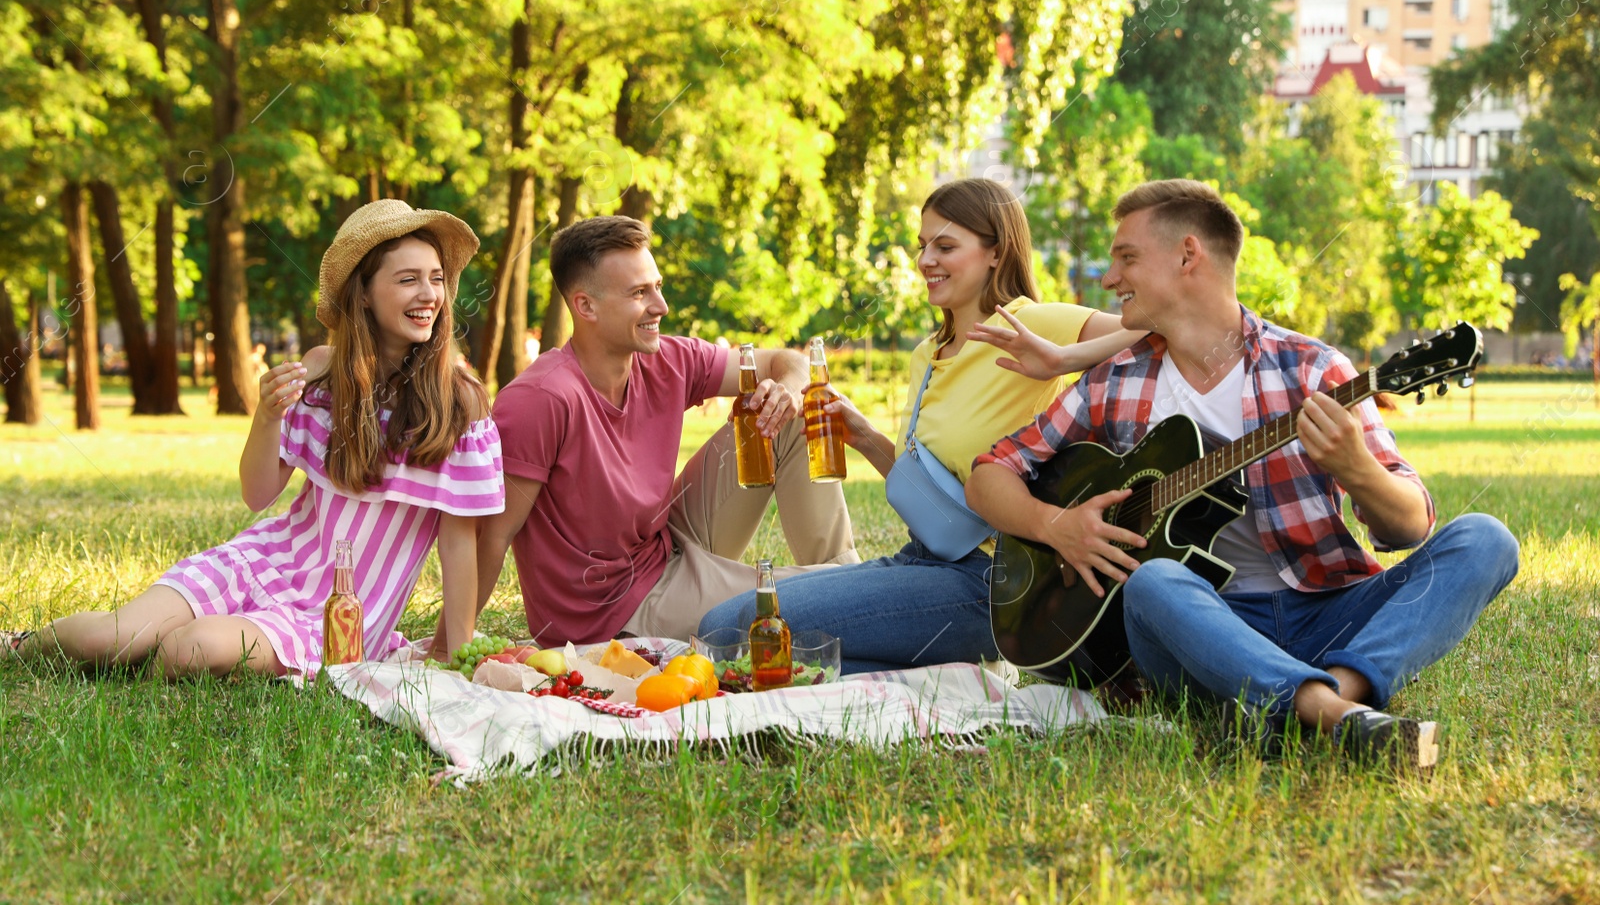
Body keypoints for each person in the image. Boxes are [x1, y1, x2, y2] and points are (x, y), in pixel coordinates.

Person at [965, 179, 1519, 771]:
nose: (1108, 278)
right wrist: (1055, 525)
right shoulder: (1115, 381)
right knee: (1152, 584)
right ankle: (1333, 716)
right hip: (1201, 630)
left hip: (1327, 610)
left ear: (1187, 255)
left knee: (1487, 539)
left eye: (1126, 258)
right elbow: (989, 473)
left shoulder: (1312, 369)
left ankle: (1321, 702)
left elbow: (1409, 526)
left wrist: (1359, 471)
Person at [10, 200, 504, 678]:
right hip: (265, 560)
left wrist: (454, 652)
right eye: (408, 279)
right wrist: (267, 417)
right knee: (113, 639)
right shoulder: (322, 374)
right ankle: (20, 645)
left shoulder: (458, 403)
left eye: (436, 279)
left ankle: (150, 661)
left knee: (191, 649)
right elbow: (257, 494)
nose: (429, 295)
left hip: (337, 616)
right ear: (365, 293)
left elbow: (459, 541)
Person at [698, 178, 1142, 673]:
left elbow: (1156, 324)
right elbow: (935, 496)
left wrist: (1063, 358)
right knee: (745, 630)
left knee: (733, 627)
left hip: (990, 583)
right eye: (923, 245)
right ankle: (923, 671)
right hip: (921, 562)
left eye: (945, 246)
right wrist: (863, 436)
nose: (925, 260)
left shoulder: (1031, 324)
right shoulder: (927, 355)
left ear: (996, 252)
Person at [477, 215, 857, 647]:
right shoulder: (542, 398)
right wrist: (449, 645)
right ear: (586, 306)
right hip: (617, 608)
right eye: (640, 293)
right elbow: (492, 535)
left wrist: (788, 389)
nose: (661, 306)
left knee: (789, 415)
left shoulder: (667, 359)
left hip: (664, 542)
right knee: (793, 607)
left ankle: (847, 578)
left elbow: (787, 363)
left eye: (656, 286)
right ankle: (857, 597)